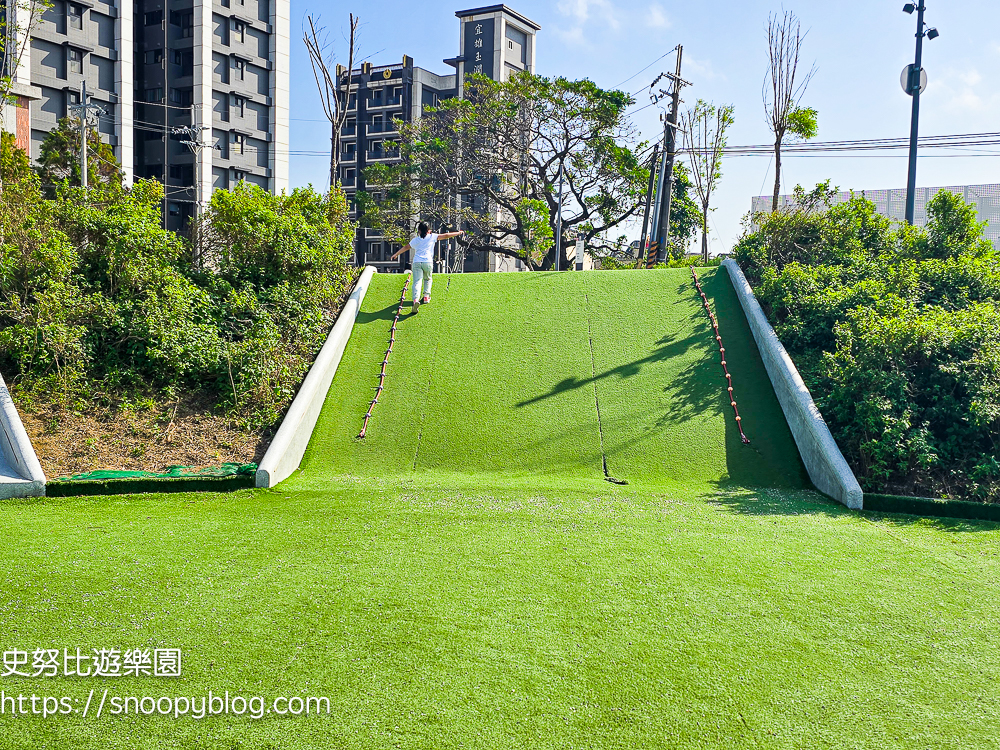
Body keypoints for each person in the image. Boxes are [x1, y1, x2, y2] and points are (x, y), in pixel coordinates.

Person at [390, 223, 465, 313]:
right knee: (428, 279)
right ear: (429, 230)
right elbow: (446, 235)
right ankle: (426, 296)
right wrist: (458, 233)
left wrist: (396, 254)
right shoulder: (432, 236)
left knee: (417, 281)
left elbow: (406, 247)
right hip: (427, 262)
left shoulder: (416, 240)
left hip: (417, 262)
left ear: (419, 231)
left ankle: (415, 300)